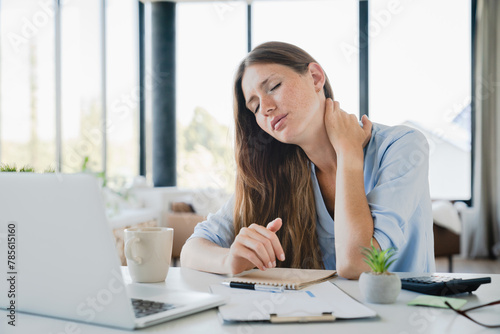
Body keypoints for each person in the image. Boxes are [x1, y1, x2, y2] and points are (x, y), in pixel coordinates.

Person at [180, 41, 435, 279]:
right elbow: (192, 249)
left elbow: (357, 264)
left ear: (315, 77)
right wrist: (229, 261)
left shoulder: (402, 146)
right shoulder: (274, 172)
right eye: (255, 106)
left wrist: (349, 152)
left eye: (274, 87)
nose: (266, 107)